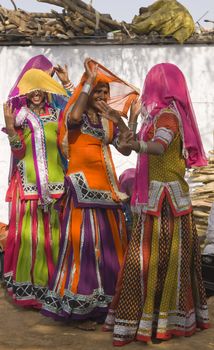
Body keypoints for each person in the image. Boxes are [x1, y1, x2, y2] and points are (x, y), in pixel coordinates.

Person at [101, 63, 209, 345]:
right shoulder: (155, 118)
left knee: (163, 259)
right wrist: (124, 121)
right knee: (148, 260)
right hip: (155, 200)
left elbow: (158, 148)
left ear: (158, 87)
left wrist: (135, 140)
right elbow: (129, 145)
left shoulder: (169, 117)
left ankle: (161, 322)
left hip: (166, 202)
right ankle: (151, 320)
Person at [41, 58, 139, 329]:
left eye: (105, 92)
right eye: (98, 91)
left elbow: (126, 148)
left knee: (110, 246)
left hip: (107, 189)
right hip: (82, 187)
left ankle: (107, 306)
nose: (103, 96)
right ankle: (80, 309)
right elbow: (71, 118)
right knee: (84, 246)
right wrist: (85, 84)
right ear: (87, 90)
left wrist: (129, 118)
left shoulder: (108, 118)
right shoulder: (78, 112)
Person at [3, 68, 68, 308]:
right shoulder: (21, 116)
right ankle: (34, 290)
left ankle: (57, 287)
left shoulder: (57, 114)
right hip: (30, 185)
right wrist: (10, 129)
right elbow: (18, 151)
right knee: (34, 239)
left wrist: (67, 83)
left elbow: (74, 117)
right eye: (32, 89)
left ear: (47, 90)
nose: (37, 93)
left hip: (57, 184)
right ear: (26, 92)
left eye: (41, 88)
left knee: (56, 237)